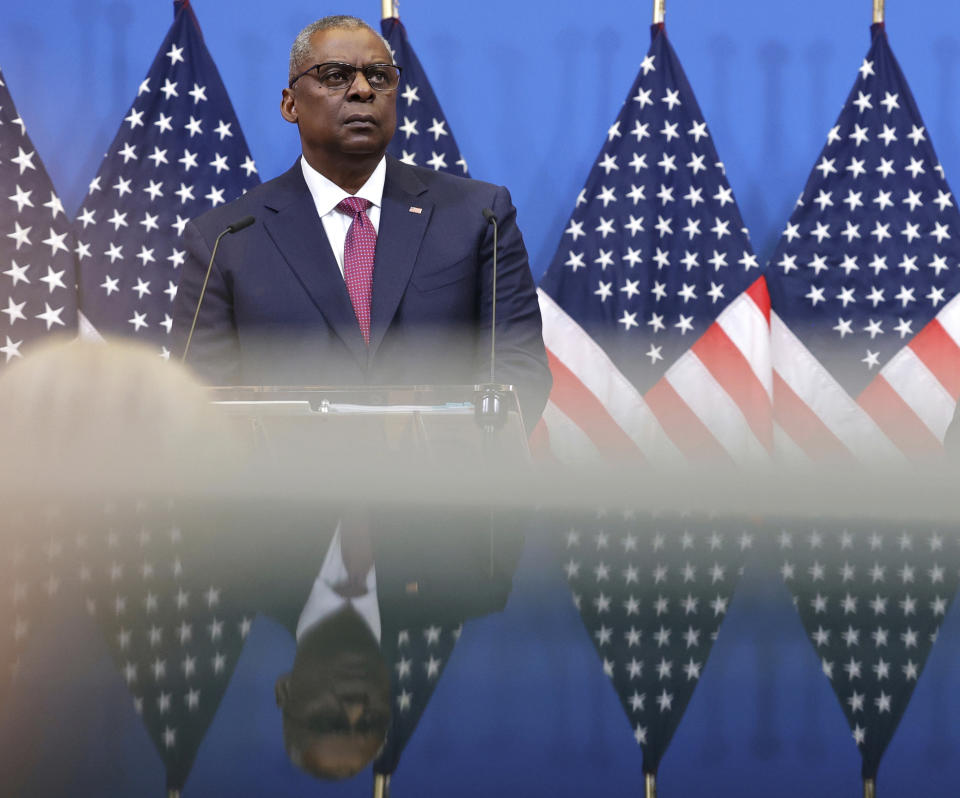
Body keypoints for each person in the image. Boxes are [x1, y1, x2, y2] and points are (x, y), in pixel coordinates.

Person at [171, 14, 551, 431]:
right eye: (335, 76)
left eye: (380, 76)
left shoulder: (479, 215)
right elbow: (199, 398)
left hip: (441, 488)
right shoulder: (226, 239)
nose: (363, 90)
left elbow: (519, 369)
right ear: (290, 104)